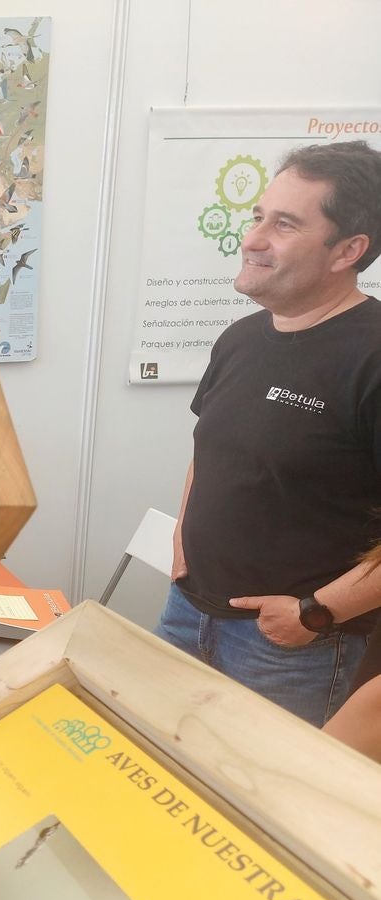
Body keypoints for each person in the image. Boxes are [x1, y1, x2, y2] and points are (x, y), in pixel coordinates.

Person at [156, 140, 381, 727]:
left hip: (290, 649)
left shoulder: (374, 357)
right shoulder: (241, 337)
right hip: (187, 611)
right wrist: (184, 539)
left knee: (253, 807)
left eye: (283, 225)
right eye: (258, 216)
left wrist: (314, 613)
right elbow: (210, 451)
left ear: (348, 250)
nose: (252, 239)